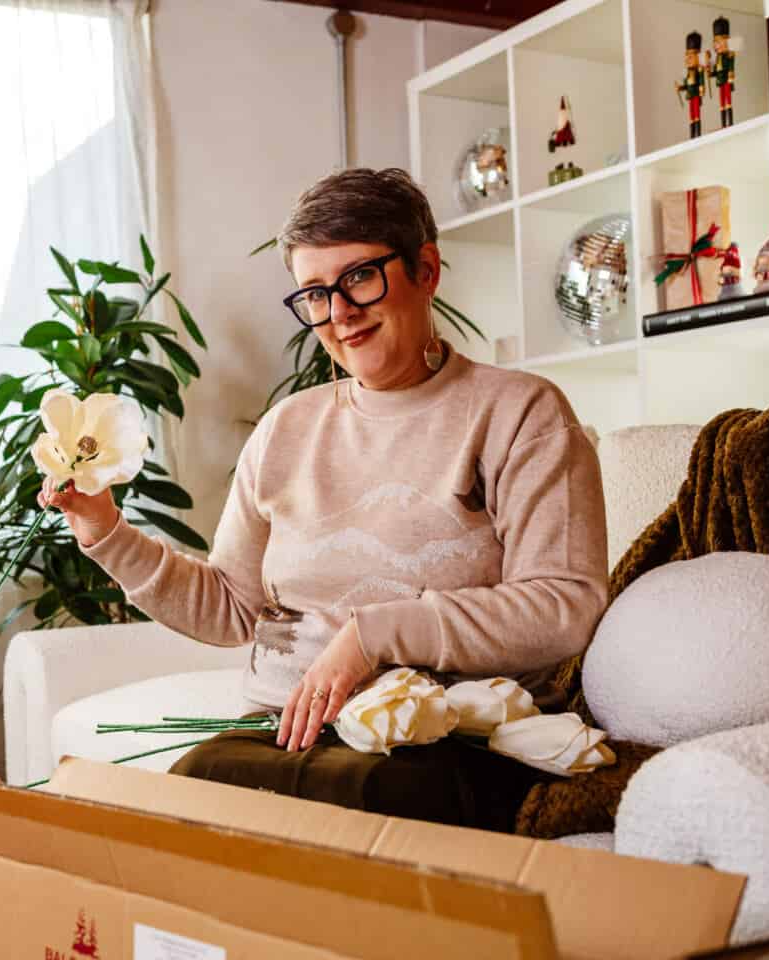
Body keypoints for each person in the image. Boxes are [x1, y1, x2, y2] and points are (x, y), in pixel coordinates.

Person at [40, 167, 608, 832]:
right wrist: (106, 530)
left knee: (350, 810)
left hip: (444, 733)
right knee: (198, 791)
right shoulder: (288, 428)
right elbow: (231, 608)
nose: (339, 313)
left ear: (426, 269)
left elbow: (565, 604)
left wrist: (374, 636)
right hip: (286, 727)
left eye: (359, 277)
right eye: (315, 293)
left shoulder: (519, 412)